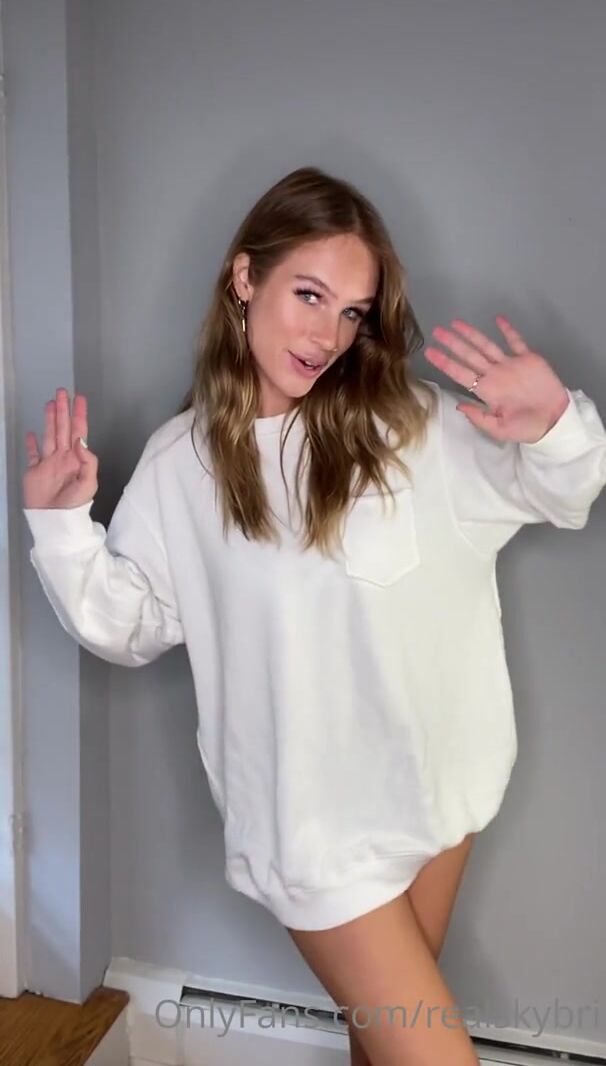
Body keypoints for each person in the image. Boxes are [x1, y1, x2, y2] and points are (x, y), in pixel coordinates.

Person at [22, 166, 606, 1066]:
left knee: (385, 1049)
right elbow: (130, 624)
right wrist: (61, 527)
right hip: (317, 836)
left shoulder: (408, 425)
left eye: (352, 312)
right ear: (243, 278)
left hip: (440, 796)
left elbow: (560, 495)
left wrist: (556, 427)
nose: (328, 335)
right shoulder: (183, 466)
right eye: (308, 295)